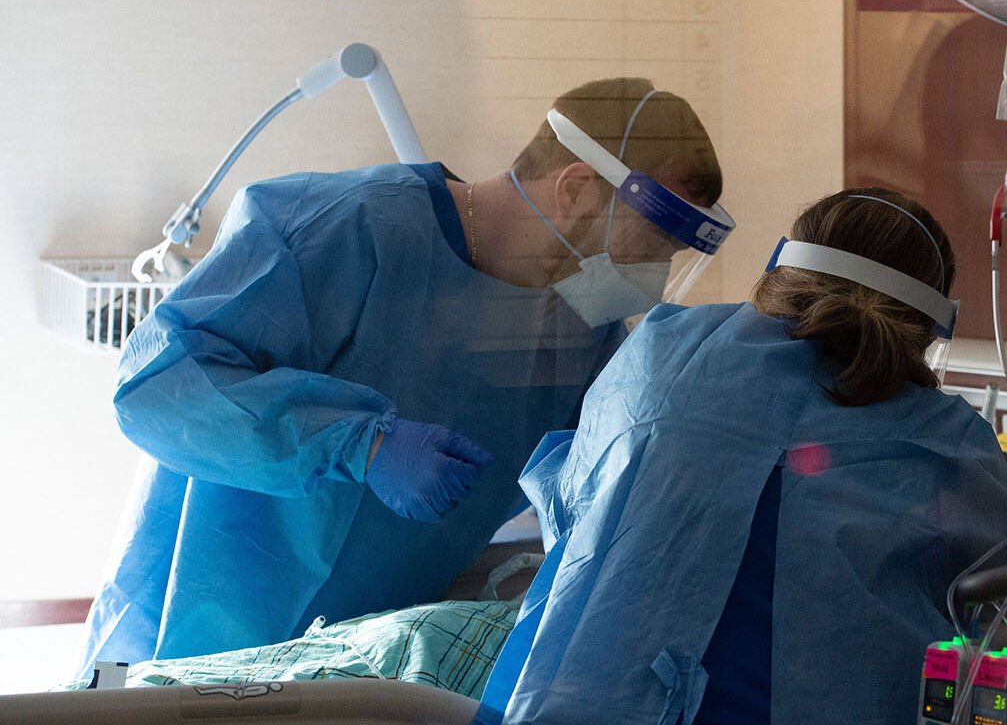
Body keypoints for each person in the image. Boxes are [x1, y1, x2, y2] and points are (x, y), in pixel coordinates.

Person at [387, 189, 1007, 725]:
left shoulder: (666, 349)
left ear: (783, 267)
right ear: (927, 323)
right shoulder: (947, 440)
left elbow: (578, 502)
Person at [78, 78, 733, 676]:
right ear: (576, 189)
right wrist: (355, 443)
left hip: (357, 669)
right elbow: (155, 386)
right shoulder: (340, 227)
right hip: (189, 637)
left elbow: (590, 476)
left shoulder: (579, 330)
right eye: (646, 249)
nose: (645, 279)